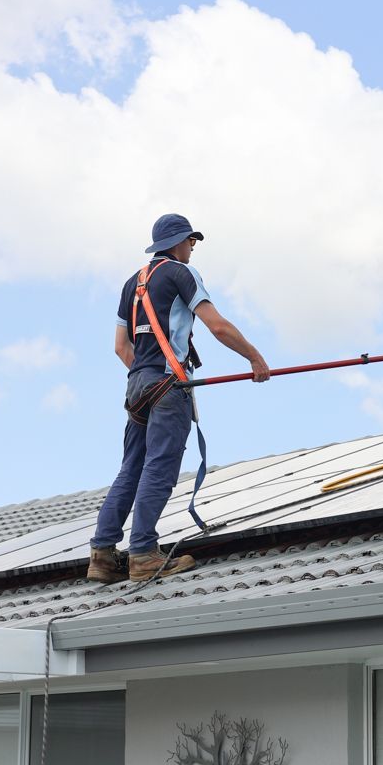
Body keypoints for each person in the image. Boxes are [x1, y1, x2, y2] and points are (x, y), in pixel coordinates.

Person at [88, 214, 270, 583]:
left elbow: (121, 347)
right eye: (191, 240)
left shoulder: (131, 284)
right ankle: (143, 554)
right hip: (169, 385)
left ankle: (103, 557)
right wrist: (253, 357)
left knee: (131, 468)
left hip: (137, 385)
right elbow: (216, 325)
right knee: (160, 467)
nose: (193, 247)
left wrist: (147, 374)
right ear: (176, 242)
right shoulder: (182, 274)